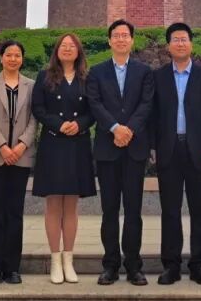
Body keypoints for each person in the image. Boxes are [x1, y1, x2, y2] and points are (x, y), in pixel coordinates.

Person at [150, 23, 201, 286]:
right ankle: (171, 265)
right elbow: (152, 115)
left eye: (184, 39)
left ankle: (198, 264)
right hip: (168, 150)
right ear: (168, 45)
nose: (180, 43)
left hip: (199, 152)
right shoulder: (158, 77)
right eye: (175, 39)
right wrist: (153, 147)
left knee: (199, 210)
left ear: (191, 43)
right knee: (170, 211)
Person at [87, 19, 155, 286]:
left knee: (134, 210)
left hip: (135, 149)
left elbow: (147, 104)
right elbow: (94, 103)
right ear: (109, 40)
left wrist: (129, 130)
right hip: (108, 149)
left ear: (132, 40)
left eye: (125, 35)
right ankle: (110, 265)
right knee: (109, 211)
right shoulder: (97, 72)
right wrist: (115, 128)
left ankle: (134, 266)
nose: (121, 39)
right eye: (116, 35)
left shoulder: (144, 71)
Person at [31, 32, 95, 284]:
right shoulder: (44, 76)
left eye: (72, 46)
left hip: (78, 144)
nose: (67, 49)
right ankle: (55, 260)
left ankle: (69, 259)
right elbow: (38, 109)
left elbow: (93, 110)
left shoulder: (87, 78)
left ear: (79, 51)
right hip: (53, 143)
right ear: (57, 50)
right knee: (53, 204)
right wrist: (58, 124)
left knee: (71, 205)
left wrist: (80, 124)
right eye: (63, 46)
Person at [0, 40, 37, 285]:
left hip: (21, 157)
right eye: (9, 55)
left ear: (22, 58)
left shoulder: (31, 86)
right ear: (1, 58)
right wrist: (2, 147)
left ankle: (12, 267)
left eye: (17, 55)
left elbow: (35, 119)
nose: (13, 59)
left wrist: (21, 145)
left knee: (15, 212)